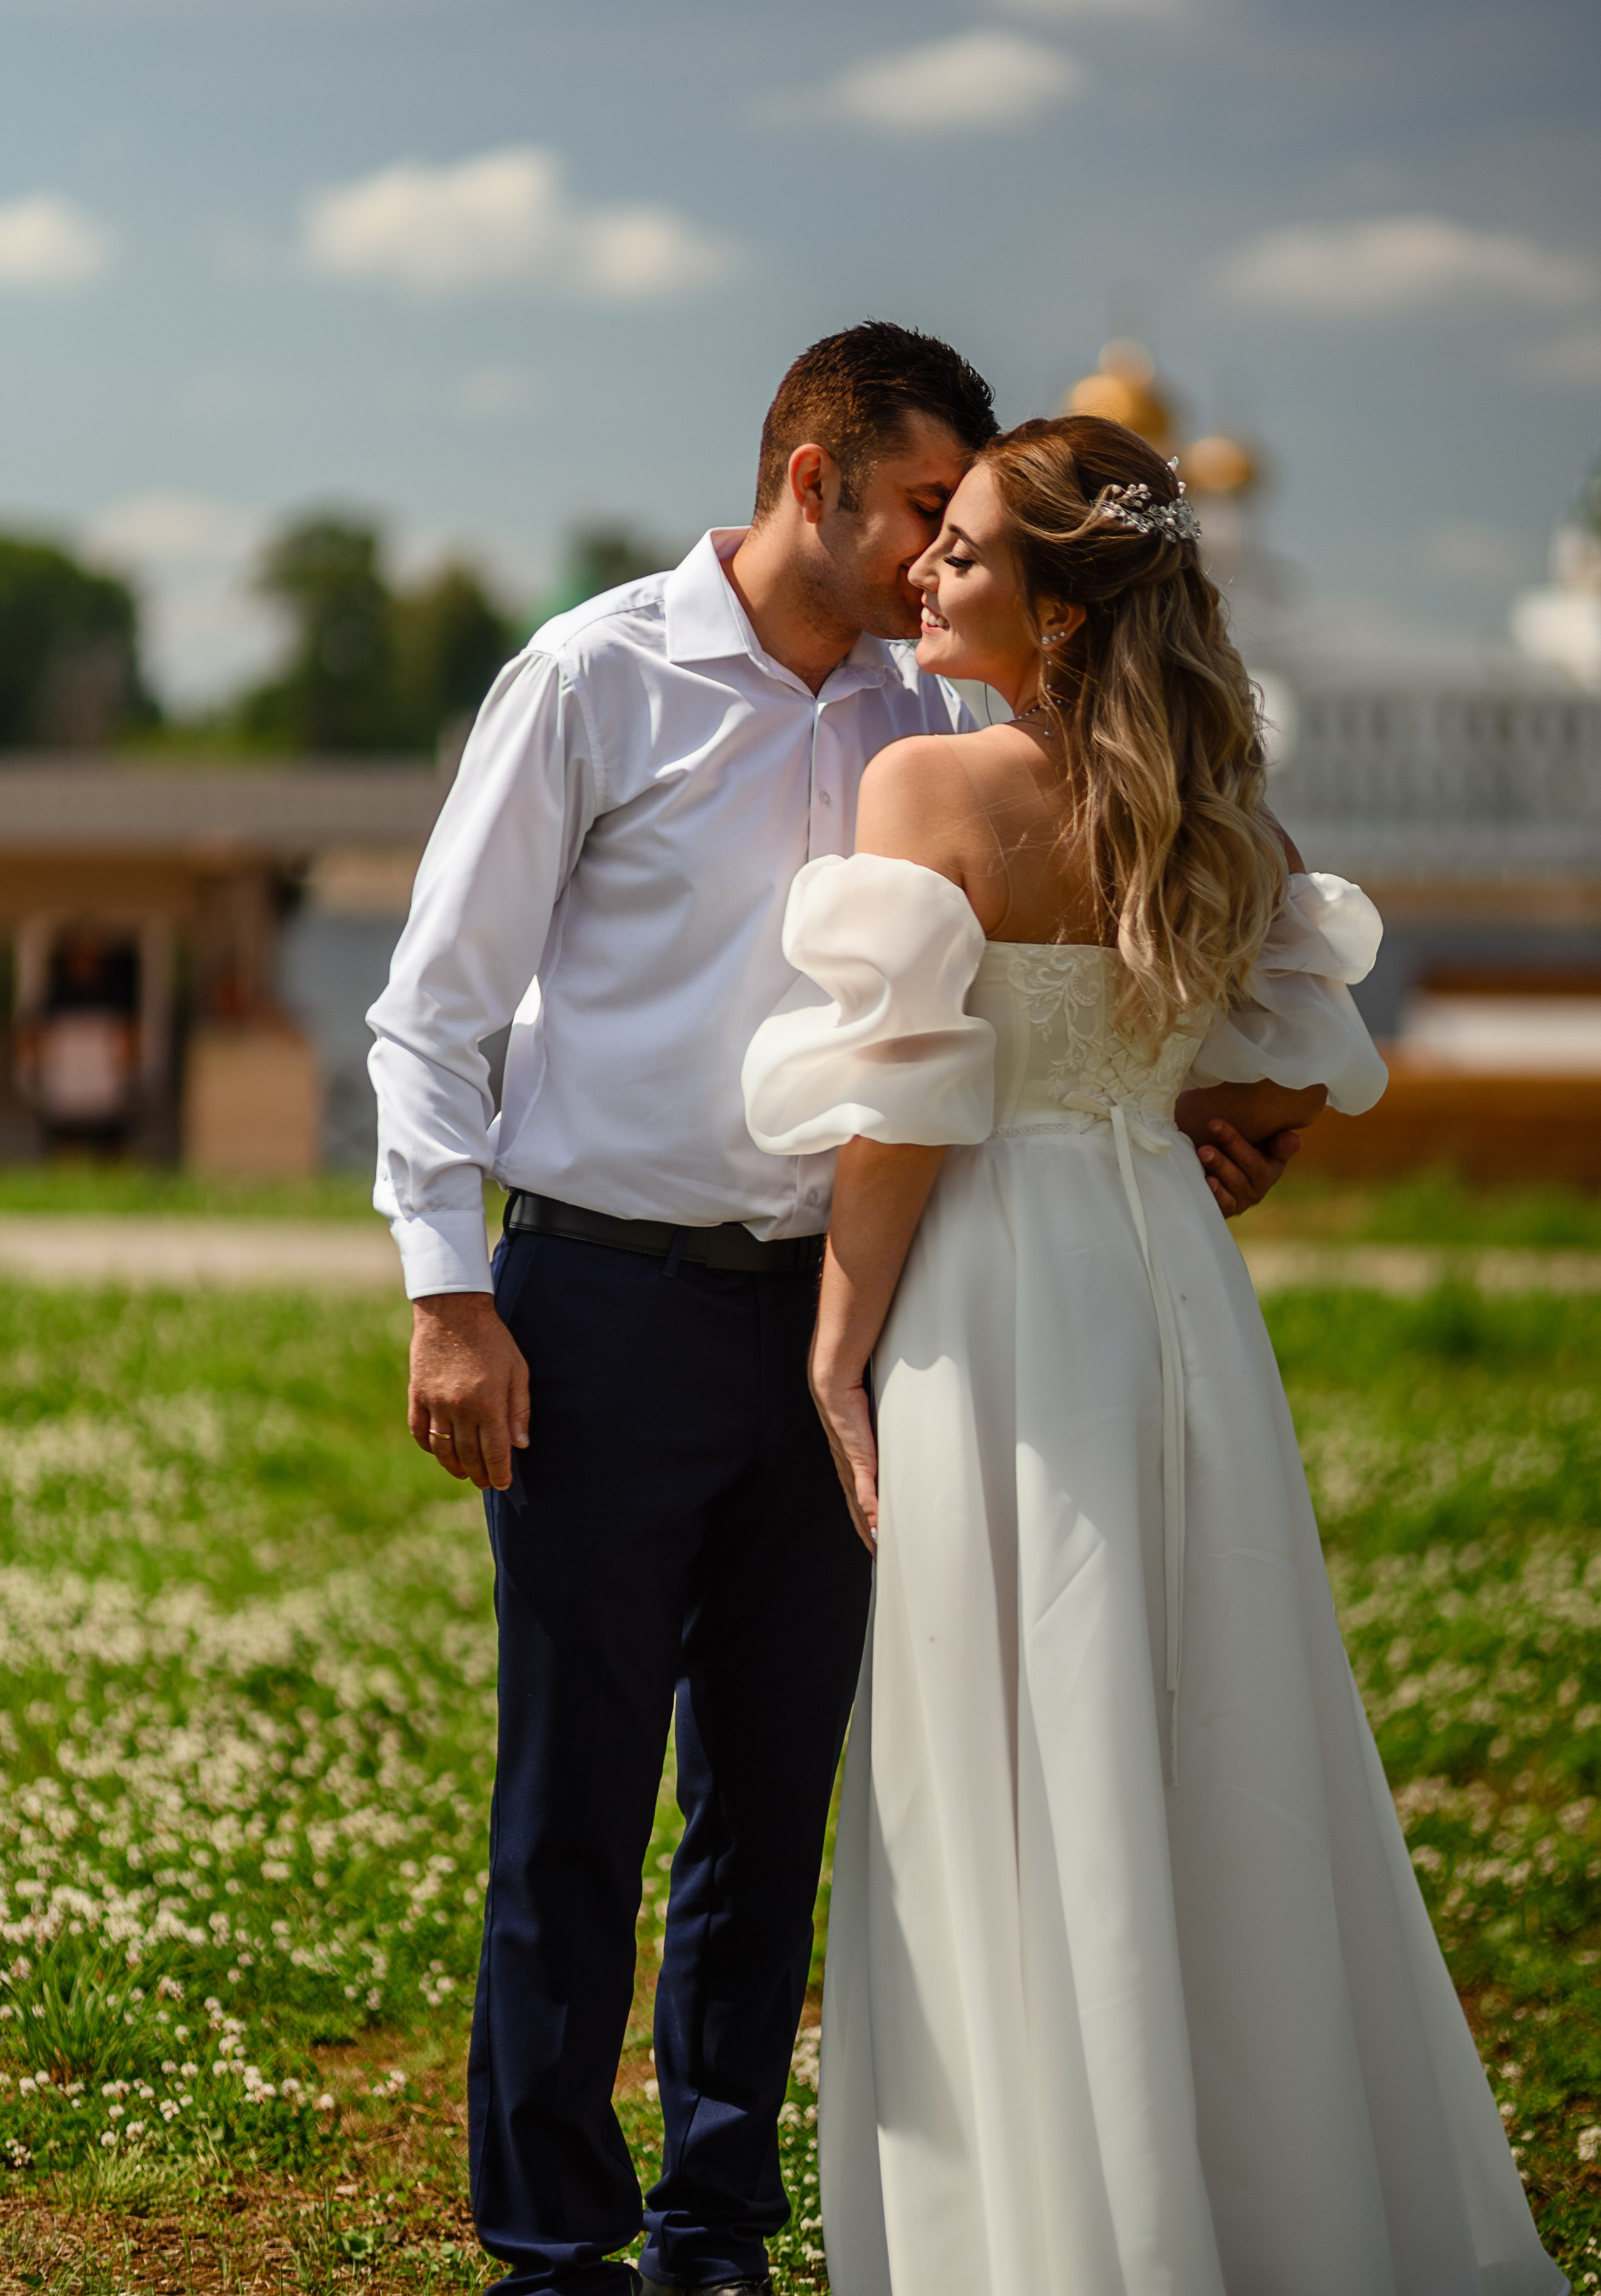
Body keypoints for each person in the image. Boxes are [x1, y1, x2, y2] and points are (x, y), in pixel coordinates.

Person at [368, 329, 1298, 2296]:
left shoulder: (927, 710)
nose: (928, 557)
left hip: (859, 1322)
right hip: (599, 1297)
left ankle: (716, 2226)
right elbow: (434, 1008)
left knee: (773, 1802)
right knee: (574, 1800)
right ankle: (553, 2243)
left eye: (953, 529)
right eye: (911, 512)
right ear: (811, 479)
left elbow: (1067, 935)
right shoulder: (592, 675)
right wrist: (451, 1290)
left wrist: (1186, 1093)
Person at [742, 416, 1565, 2295]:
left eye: (960, 551)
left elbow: (910, 1114)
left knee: (1011, 1729)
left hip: (1001, 1295)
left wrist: (841, 1343)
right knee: (1213, 1721)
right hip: (1174, 1290)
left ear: (1057, 602)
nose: (926, 576)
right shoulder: (1218, 809)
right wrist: (1228, 1135)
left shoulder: (930, 800)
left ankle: (1056, 2227)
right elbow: (1306, 1056)